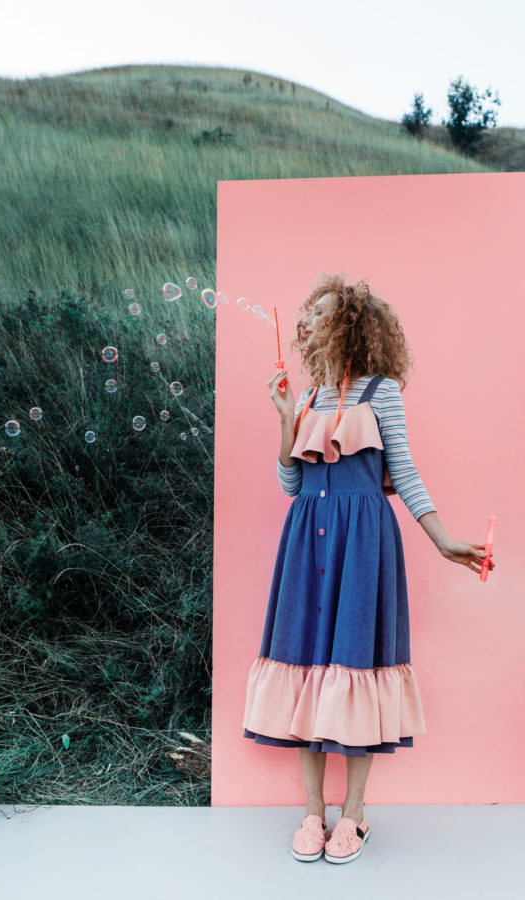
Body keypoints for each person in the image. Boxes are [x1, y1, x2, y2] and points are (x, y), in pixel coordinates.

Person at [242, 271, 495, 865]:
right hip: (306, 540)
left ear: (348, 326)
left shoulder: (381, 392)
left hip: (362, 543)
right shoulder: (307, 396)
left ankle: (354, 814)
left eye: (321, 313)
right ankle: (313, 811)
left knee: (355, 664)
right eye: (308, 313)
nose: (308, 321)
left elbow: (402, 471)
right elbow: (290, 483)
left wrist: (441, 539)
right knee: (304, 664)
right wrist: (285, 418)